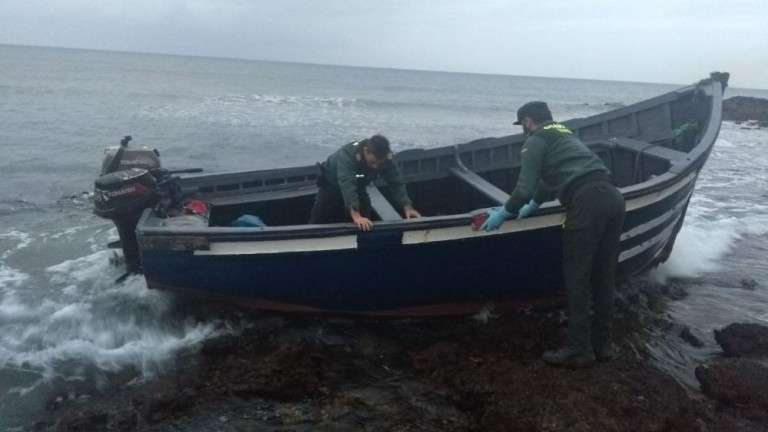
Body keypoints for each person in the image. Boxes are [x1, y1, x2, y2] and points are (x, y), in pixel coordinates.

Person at [480, 101, 626, 368]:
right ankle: (604, 346)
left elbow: (523, 189)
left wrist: (505, 212)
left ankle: (579, 350)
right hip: (613, 198)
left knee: (577, 278)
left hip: (586, 202)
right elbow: (550, 177)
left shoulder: (535, 140)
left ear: (527, 121)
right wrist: (535, 203)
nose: (523, 129)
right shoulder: (564, 132)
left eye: (522, 125)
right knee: (604, 277)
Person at [309, 134, 421, 231]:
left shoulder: (386, 159)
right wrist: (356, 216)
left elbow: (396, 182)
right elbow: (347, 183)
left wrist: (407, 206)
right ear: (366, 151)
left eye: (379, 164)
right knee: (318, 219)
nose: (375, 167)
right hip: (331, 186)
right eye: (373, 163)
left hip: (359, 186)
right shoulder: (347, 155)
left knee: (366, 218)